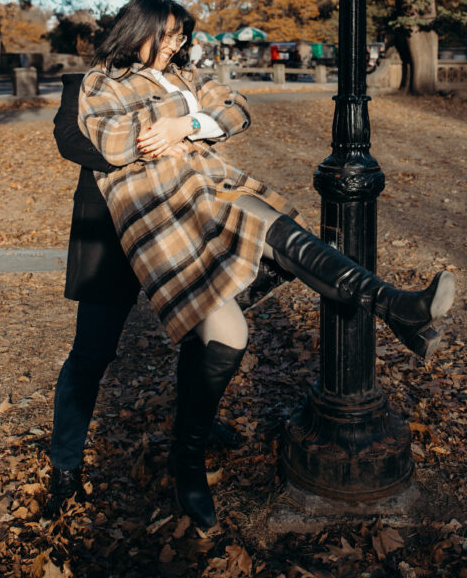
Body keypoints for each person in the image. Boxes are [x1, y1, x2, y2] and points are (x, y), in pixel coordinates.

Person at [76, 0, 455, 529]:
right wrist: (187, 111)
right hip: (166, 218)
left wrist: (187, 124)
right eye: (165, 36)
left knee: (272, 227)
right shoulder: (102, 82)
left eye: (181, 37)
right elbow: (116, 140)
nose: (175, 46)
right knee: (228, 336)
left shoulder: (186, 76)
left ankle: (395, 304)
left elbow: (237, 109)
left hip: (216, 194)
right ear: (137, 29)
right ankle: (187, 462)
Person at [44, 74, 286, 518]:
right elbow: (70, 141)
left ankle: (193, 431)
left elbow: (224, 112)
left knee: (202, 334)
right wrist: (153, 144)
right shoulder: (88, 82)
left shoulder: (177, 77)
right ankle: (65, 466)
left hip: (178, 221)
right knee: (92, 353)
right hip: (111, 232)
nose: (171, 47)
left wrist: (187, 127)